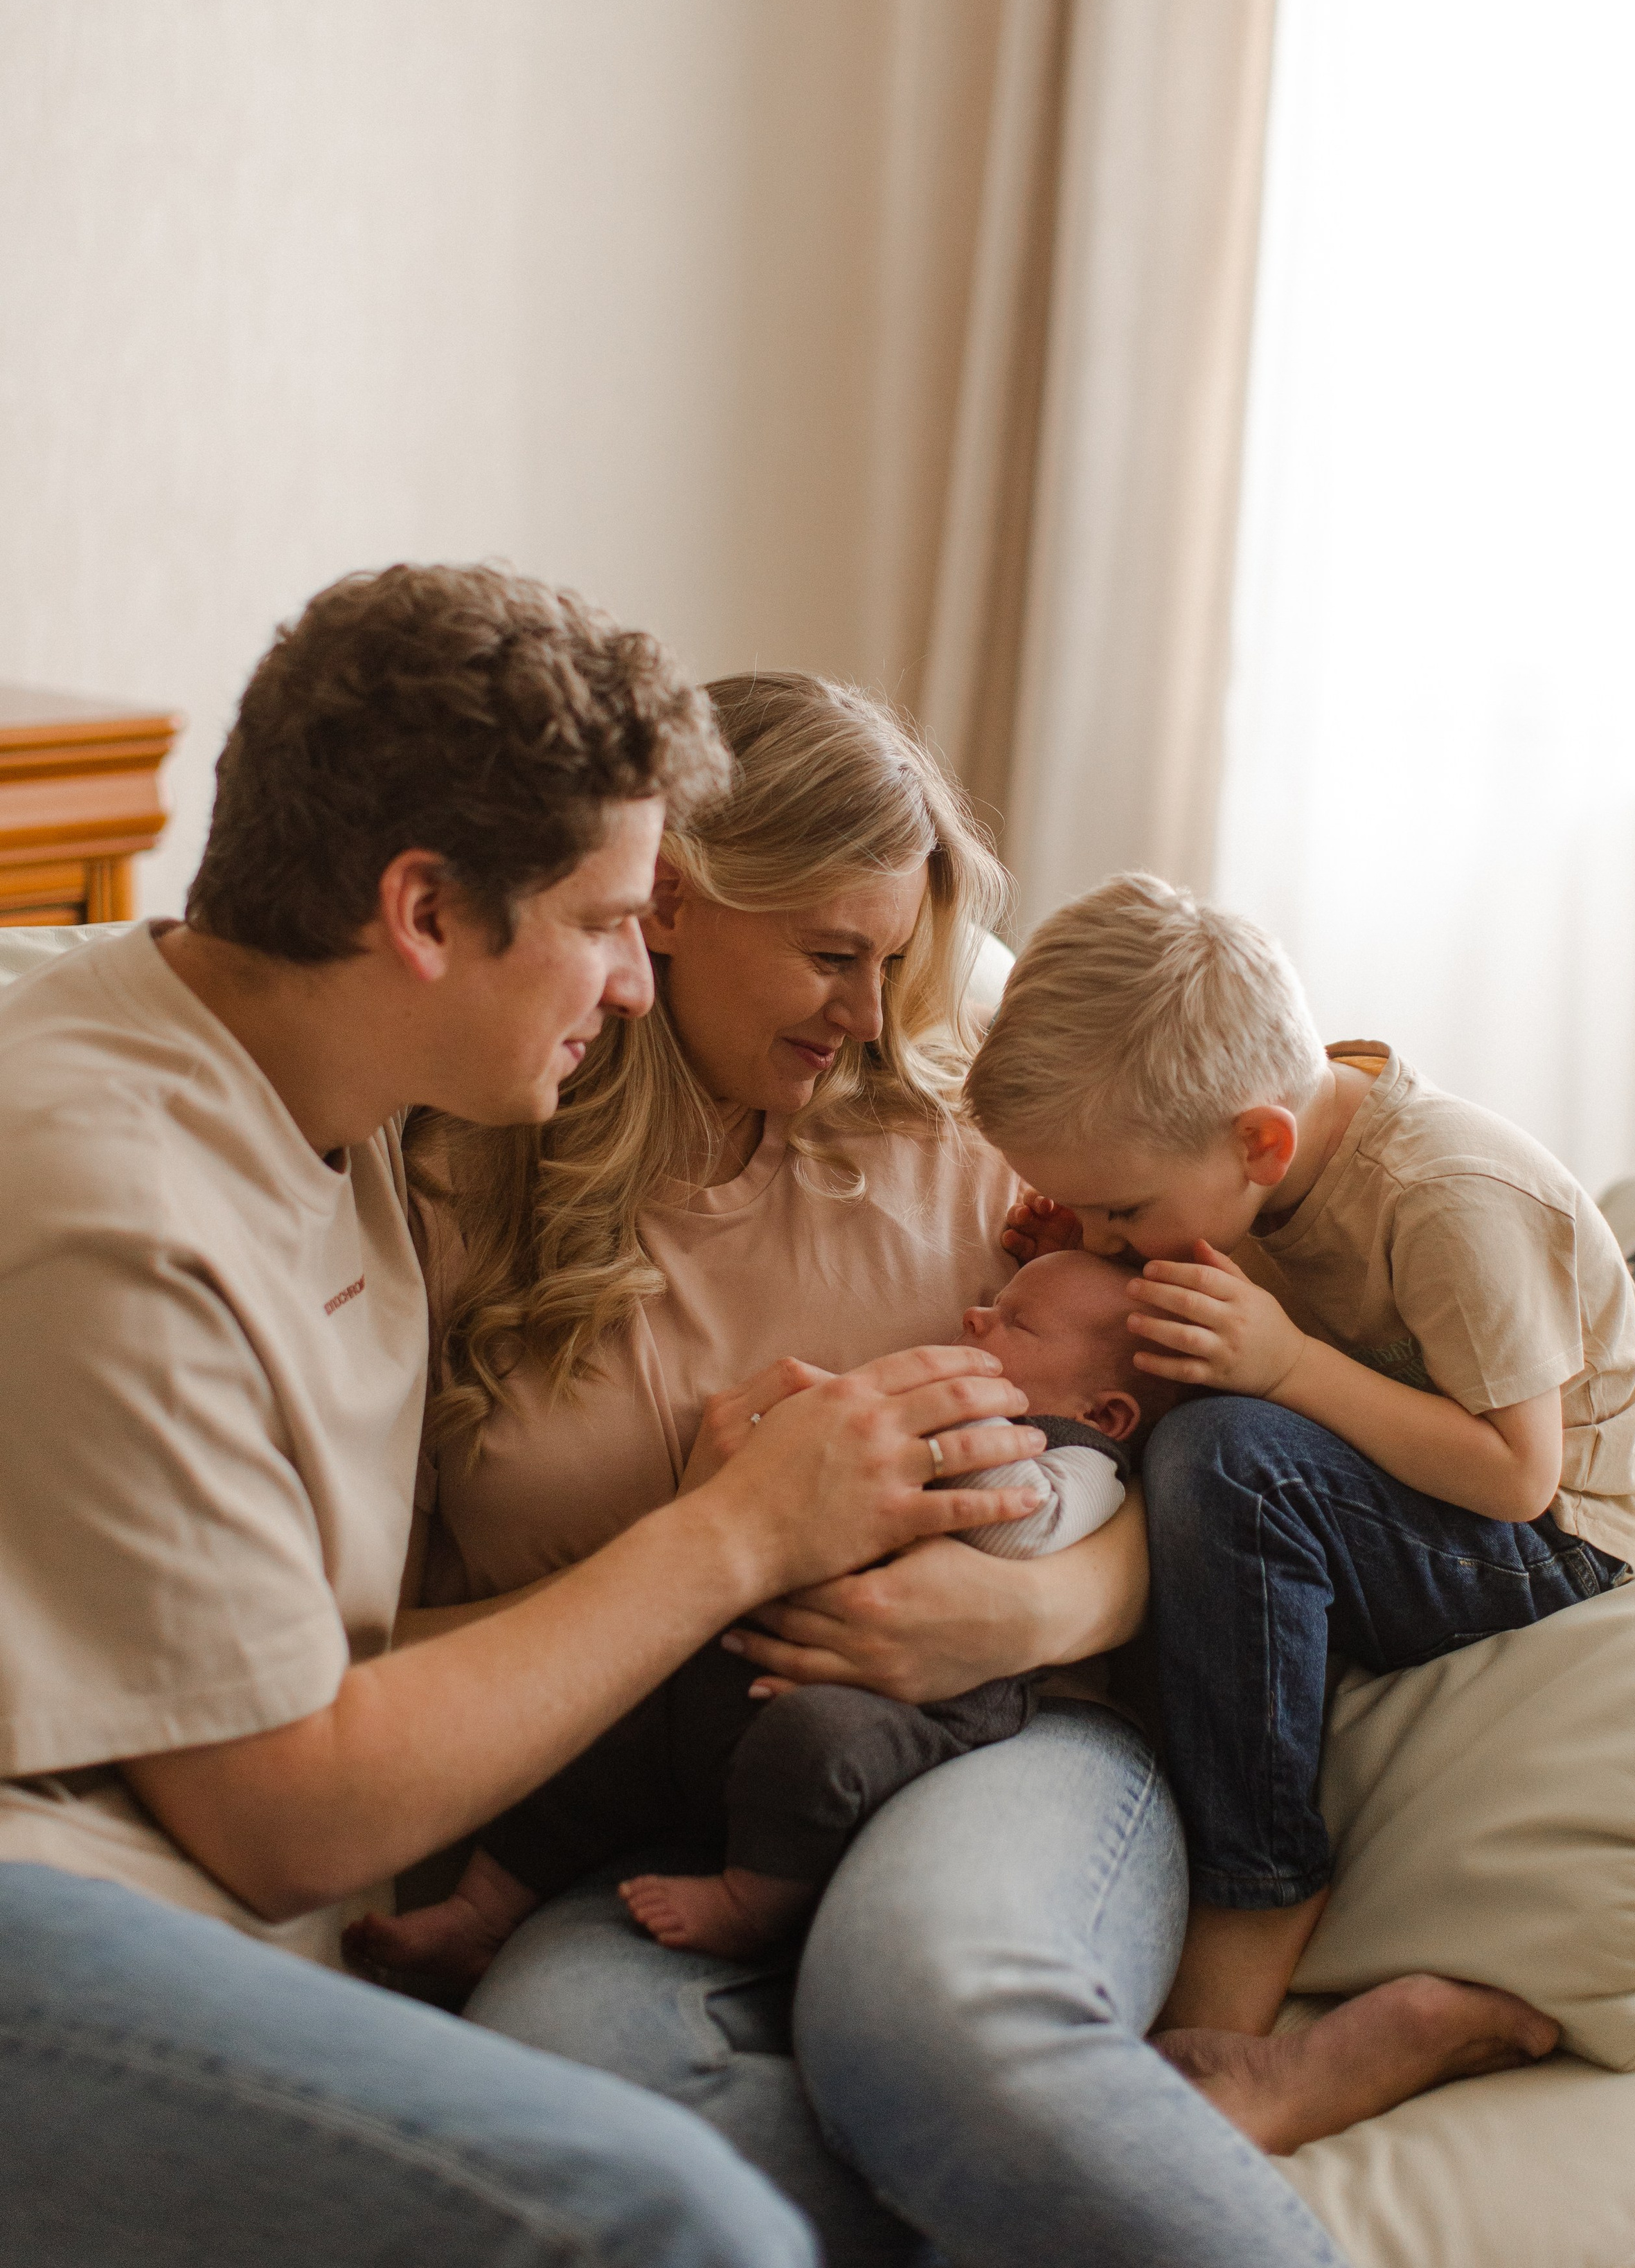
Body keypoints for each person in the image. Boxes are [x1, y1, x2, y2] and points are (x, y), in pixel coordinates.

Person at [0, 566, 1050, 2268]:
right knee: (667, 2213)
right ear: (423, 911)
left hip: (208, 1874)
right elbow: (287, 1816)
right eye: (608, 922)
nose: (637, 979)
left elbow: (319, 1664)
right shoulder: (110, 1200)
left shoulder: (334, 1108)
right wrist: (729, 1535)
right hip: (65, 1902)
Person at [405, 672, 1355, 2268]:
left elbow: (1229, 1448)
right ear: (676, 904)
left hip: (1009, 1736)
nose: (867, 1004)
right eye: (831, 954)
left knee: (917, 2008)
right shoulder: (470, 1161)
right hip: (669, 1794)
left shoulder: (979, 1142)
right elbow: (361, 1641)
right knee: (578, 2089)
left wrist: (1035, 1607)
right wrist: (712, 1536)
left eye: (896, 955)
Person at [971, 870, 1635, 2151]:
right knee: (1163, 1428)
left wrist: (1285, 1364)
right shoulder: (1235, 1157)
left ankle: (1261, 1896)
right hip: (1373, 1491)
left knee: (1228, 1451)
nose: (1117, 1232)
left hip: (1541, 1545)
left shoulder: (1448, 1193)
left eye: (1124, 1206)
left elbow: (1524, 1478)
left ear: (1260, 1146)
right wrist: (1088, 1240)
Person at [348, 1248, 1178, 1984]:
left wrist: (947, 1425)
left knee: (813, 1744)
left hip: (914, 1710)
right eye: (993, 1304)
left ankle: (753, 1904)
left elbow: (1021, 1523)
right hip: (750, 1660)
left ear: (1105, 1414)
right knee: (606, 1718)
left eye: (1016, 1322)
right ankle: (481, 1915)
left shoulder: (1081, 1461)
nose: (975, 1315)